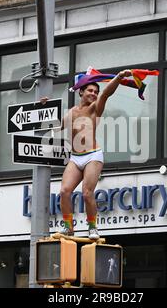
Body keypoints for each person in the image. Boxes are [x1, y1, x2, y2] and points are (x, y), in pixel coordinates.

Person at [42, 69, 132, 240]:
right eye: (90, 90)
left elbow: (106, 93)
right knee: (64, 191)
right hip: (75, 157)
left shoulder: (94, 108)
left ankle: (92, 227)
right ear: (81, 91)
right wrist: (44, 107)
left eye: (95, 91)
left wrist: (119, 77)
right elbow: (55, 127)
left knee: (87, 193)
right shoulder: (71, 112)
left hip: (93, 155)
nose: (94, 93)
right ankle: (69, 228)